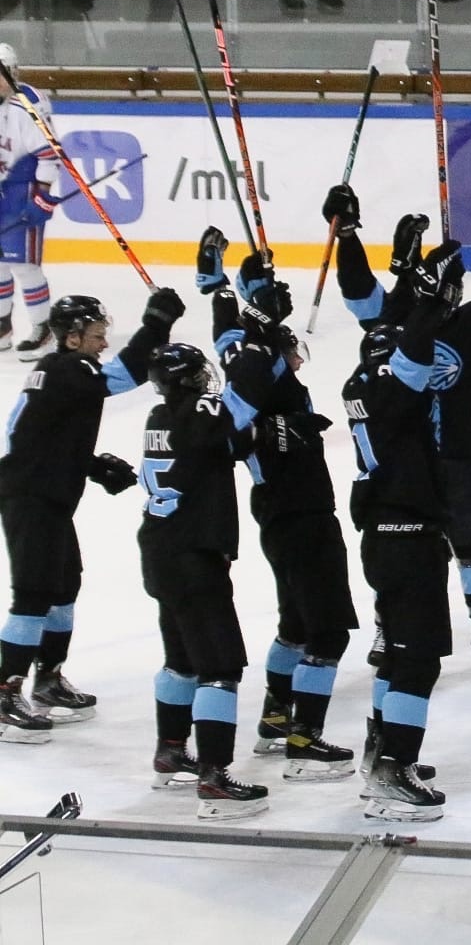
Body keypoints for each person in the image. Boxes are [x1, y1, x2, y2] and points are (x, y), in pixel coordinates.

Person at [324, 185, 471, 666]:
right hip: (406, 465)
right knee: (400, 549)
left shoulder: (467, 324)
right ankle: (386, 623)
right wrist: (348, 236)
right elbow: (359, 293)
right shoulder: (397, 319)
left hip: (457, 453)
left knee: (470, 541)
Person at [196, 231, 359, 780]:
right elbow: (238, 428)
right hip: (300, 512)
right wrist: (280, 428)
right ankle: (303, 738)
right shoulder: (263, 371)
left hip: (280, 512)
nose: (296, 356)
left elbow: (228, 338)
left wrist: (235, 284)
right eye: (291, 348)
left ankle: (273, 719)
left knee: (295, 622)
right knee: (328, 630)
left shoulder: (252, 361)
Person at [1, 286, 181, 741]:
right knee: (35, 592)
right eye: (98, 334)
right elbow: (122, 377)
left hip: (45, 492)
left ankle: (48, 677)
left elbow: (46, 435)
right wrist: (156, 324)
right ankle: (4, 693)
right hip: (30, 496)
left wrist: (92, 465)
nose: (104, 343)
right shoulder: (67, 368)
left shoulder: (60, 372)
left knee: (65, 585)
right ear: (74, 337)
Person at [342, 244, 463, 821]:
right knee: (418, 660)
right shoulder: (392, 387)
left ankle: (382, 750)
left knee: (396, 655)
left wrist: (417, 296)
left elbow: (407, 353)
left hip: (384, 538)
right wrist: (431, 301)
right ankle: (394, 770)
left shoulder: (361, 385)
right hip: (407, 539)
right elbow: (414, 355)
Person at [136, 342, 272, 819]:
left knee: (181, 659)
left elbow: (228, 442)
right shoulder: (200, 410)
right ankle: (214, 775)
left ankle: (171, 750)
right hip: (194, 557)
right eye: (198, 374)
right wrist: (255, 347)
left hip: (160, 552)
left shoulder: (159, 416)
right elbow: (247, 398)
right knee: (219, 666)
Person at [0, 45, 60, 356]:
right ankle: (2, 325)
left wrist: (42, 195)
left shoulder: (27, 106)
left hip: (20, 192)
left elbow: (49, 155)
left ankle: (43, 329)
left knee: (23, 265)